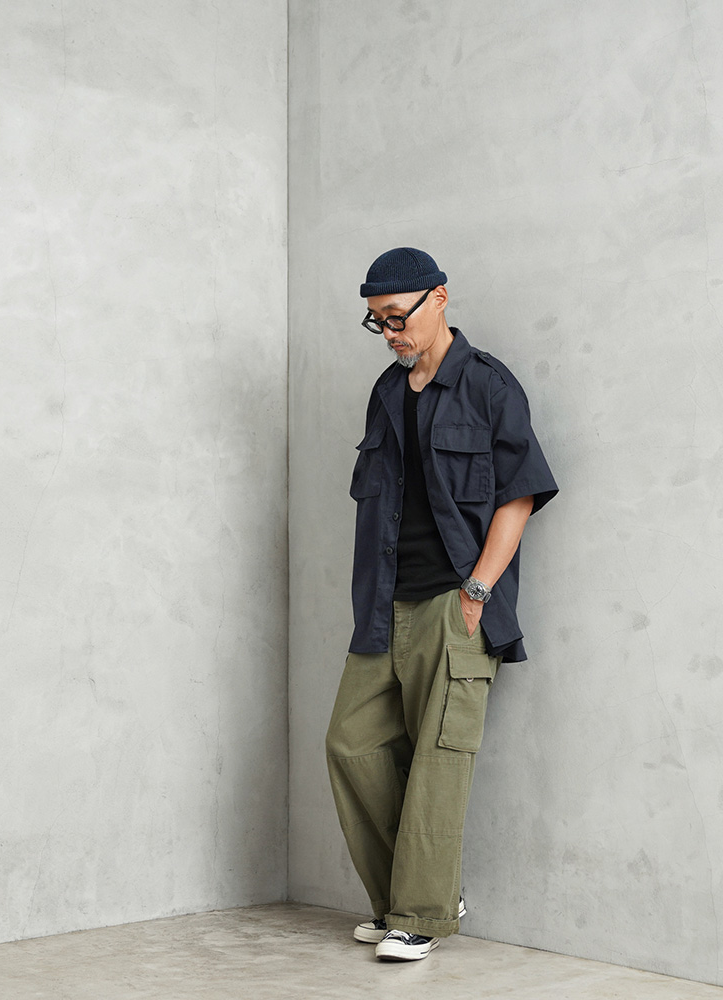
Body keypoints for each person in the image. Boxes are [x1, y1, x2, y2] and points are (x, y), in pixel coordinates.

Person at [325, 247, 558, 962]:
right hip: (383, 605)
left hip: (455, 604)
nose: (389, 333)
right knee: (350, 745)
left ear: (440, 299)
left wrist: (478, 590)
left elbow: (519, 495)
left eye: (397, 318)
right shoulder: (386, 392)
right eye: (377, 322)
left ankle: (420, 915)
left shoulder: (488, 385)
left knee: (438, 761)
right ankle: (411, 897)